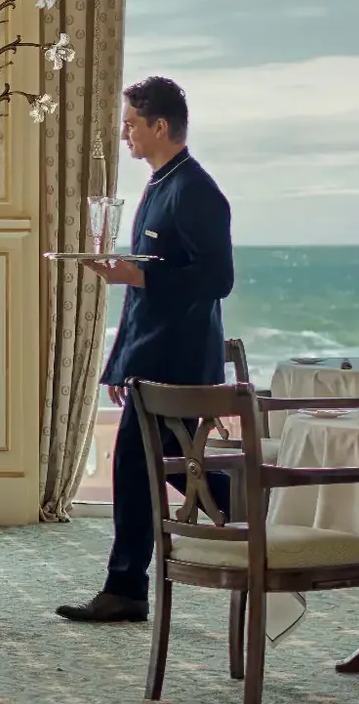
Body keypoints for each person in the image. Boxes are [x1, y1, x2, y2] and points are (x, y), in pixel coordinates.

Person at [57, 76, 236, 624]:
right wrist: (122, 362)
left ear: (160, 126)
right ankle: (258, 505)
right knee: (169, 466)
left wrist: (136, 277)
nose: (124, 133)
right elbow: (146, 286)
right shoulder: (160, 185)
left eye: (131, 123)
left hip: (179, 360)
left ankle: (127, 588)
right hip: (152, 356)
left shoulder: (197, 191)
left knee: (141, 466)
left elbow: (217, 278)